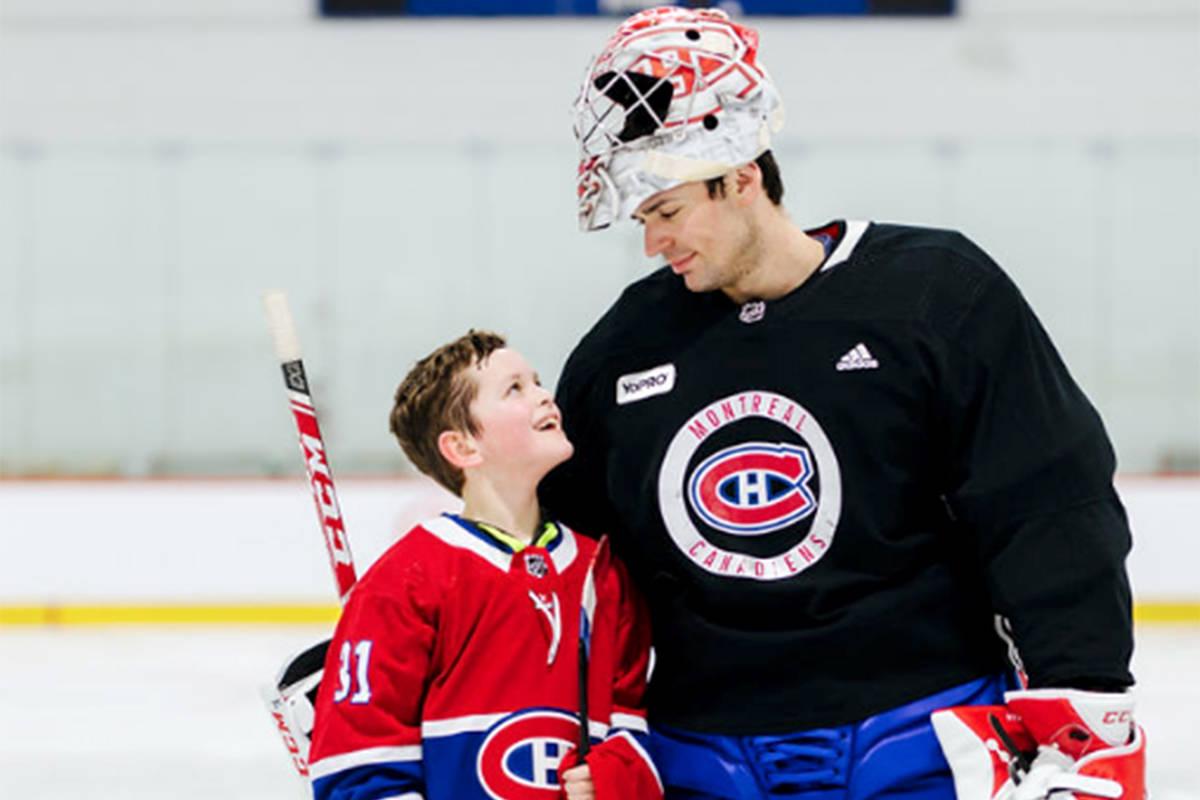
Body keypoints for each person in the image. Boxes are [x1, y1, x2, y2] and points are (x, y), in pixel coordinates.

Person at [540, 7, 1145, 799]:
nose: (652, 243)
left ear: (742, 177)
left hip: (924, 745)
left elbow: (1047, 510)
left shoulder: (936, 295)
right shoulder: (626, 348)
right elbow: (550, 555)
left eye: (666, 211)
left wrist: (1083, 714)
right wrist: (401, 653)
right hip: (702, 761)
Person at [308, 330, 662, 800]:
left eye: (536, 381)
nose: (543, 395)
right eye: (515, 389)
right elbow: (358, 764)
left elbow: (630, 724)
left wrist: (615, 779)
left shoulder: (602, 573)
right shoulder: (407, 580)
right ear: (463, 448)